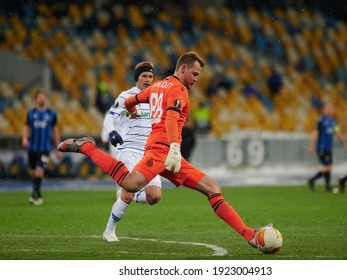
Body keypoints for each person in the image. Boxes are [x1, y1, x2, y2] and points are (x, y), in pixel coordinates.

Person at [58, 51, 272, 248]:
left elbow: (133, 100)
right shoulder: (179, 90)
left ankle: (250, 236)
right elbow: (170, 118)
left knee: (212, 188)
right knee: (130, 184)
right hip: (163, 150)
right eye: (195, 73)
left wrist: (132, 109)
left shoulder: (158, 87)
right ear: (183, 69)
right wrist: (175, 147)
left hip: (167, 152)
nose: (196, 78)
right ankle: (88, 148)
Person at [101, 61, 162, 242]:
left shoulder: (156, 99)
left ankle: (127, 193)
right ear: (137, 78)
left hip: (149, 153)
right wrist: (112, 132)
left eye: (150, 76)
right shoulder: (126, 96)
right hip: (129, 151)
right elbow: (109, 118)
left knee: (154, 196)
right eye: (144, 76)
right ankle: (109, 232)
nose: (148, 80)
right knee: (127, 195)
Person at [22, 88, 61, 205]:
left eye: (43, 96)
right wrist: (24, 138)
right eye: (39, 97)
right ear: (35, 99)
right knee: (33, 172)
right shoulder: (31, 113)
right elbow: (26, 127)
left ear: (46, 99)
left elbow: (55, 130)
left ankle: (35, 195)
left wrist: (58, 147)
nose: (42, 98)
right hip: (32, 148)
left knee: (39, 171)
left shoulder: (51, 114)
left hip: (45, 149)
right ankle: (37, 194)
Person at [307, 102, 347, 192]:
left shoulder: (334, 122)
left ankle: (327, 187)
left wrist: (344, 142)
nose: (329, 110)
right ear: (323, 110)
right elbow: (315, 133)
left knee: (328, 166)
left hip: (329, 148)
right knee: (328, 166)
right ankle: (313, 180)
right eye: (328, 108)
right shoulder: (320, 120)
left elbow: (338, 133)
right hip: (321, 147)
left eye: (331, 108)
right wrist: (311, 146)